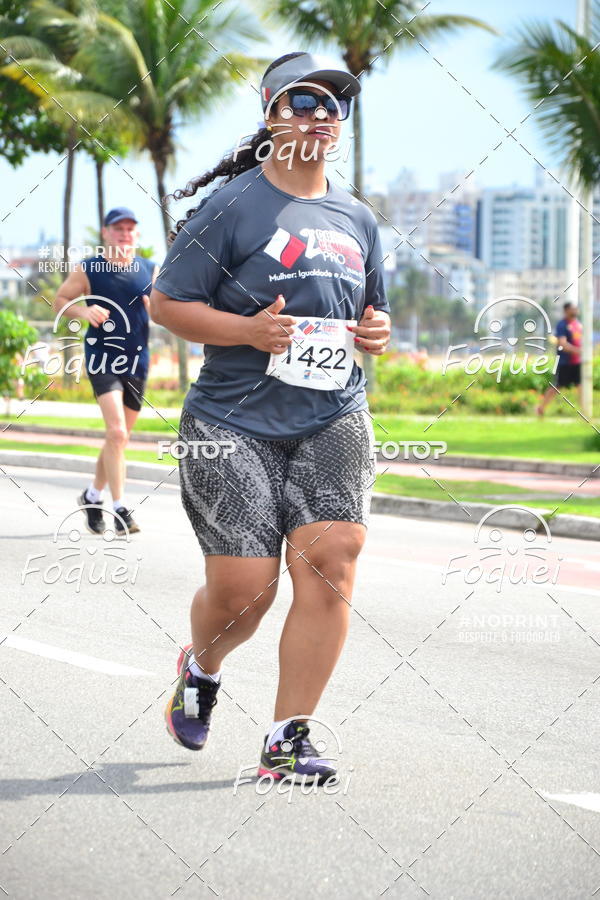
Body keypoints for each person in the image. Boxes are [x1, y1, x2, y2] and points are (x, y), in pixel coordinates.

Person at [150, 52, 391, 783]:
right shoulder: (233, 207)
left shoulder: (358, 218)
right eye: (303, 102)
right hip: (232, 422)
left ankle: (287, 740)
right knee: (244, 594)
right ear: (271, 114)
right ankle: (203, 666)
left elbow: (372, 311)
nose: (320, 116)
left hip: (333, 413)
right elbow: (166, 303)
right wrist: (248, 332)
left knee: (333, 559)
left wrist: (376, 330)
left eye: (333, 105)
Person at [54, 207, 158, 534]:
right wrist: (83, 312)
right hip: (102, 358)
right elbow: (60, 300)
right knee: (116, 432)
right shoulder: (89, 268)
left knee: (119, 438)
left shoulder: (149, 270)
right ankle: (120, 508)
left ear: (136, 234)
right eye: (118, 228)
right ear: (105, 233)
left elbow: (164, 311)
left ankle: (91, 495)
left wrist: (157, 310)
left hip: (137, 360)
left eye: (130, 229)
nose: (124, 234)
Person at [537, 301, 582, 416]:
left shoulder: (577, 325)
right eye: (572, 309)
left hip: (577, 362)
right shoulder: (562, 325)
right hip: (565, 362)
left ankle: (584, 410)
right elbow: (563, 344)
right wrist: (579, 351)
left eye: (576, 309)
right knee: (557, 386)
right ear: (566, 310)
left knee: (581, 385)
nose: (575, 311)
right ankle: (541, 409)